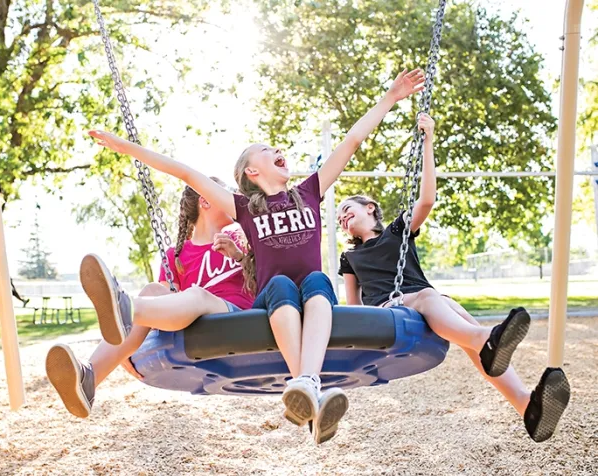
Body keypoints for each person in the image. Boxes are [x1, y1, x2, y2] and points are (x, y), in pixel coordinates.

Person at [88, 68, 425, 444]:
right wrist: (125, 147)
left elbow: (352, 140)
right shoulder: (245, 207)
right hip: (271, 299)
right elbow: (183, 171)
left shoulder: (310, 192)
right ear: (252, 170)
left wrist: (391, 97)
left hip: (312, 296)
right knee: (281, 282)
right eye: (267, 150)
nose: (277, 150)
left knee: (316, 280)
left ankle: (307, 386)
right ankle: (307, 385)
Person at [336, 113, 570, 443]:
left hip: (424, 300)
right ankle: (486, 338)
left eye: (348, 209)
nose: (342, 217)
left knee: (457, 314)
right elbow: (352, 304)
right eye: (339, 218)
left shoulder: (397, 233)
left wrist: (429, 137)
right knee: (436, 301)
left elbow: (427, 199)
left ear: (370, 208)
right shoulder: (350, 257)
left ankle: (527, 407)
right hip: (390, 311)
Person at [46, 180, 253, 418]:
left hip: (237, 317)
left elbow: (264, 278)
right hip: (194, 325)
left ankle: (124, 309)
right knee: (153, 290)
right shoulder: (176, 255)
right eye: (229, 192)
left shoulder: (243, 240)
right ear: (206, 200)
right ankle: (89, 378)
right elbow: (160, 306)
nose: (238, 197)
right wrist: (121, 347)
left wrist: (239, 256)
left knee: (196, 295)